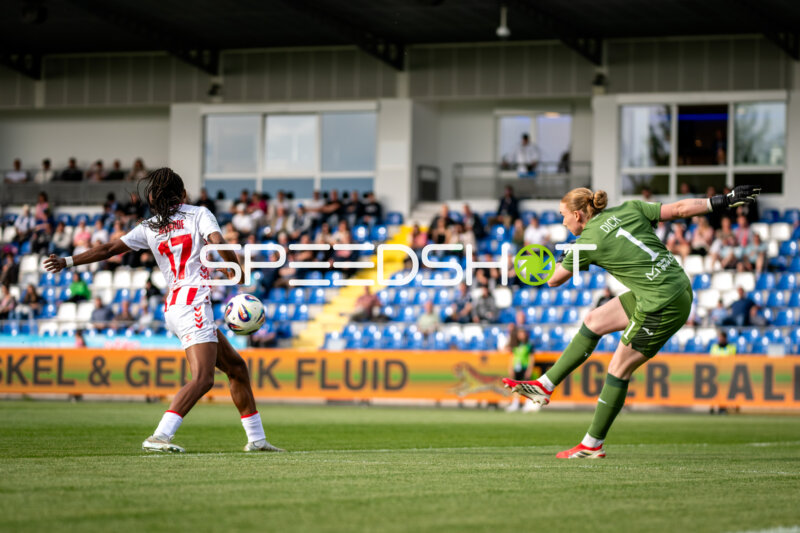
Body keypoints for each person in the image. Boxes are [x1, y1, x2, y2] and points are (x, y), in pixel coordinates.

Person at [503, 184, 761, 458]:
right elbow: (680, 209)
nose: (563, 221)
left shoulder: (587, 241)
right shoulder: (631, 208)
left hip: (661, 302)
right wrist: (721, 200)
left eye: (563, 215)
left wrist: (543, 264)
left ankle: (592, 444)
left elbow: (554, 280)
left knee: (618, 369)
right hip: (676, 285)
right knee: (594, 320)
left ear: (578, 215)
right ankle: (545, 384)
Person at [45, 167, 283, 453]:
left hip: (175, 304)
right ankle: (160, 436)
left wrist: (68, 261)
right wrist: (238, 271)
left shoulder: (151, 226)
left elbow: (108, 249)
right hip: (192, 303)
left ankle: (256, 440)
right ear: (182, 193)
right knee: (203, 378)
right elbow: (218, 243)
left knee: (236, 368)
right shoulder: (199, 214)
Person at [506, 310, 537, 413]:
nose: (521, 335)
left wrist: (529, 369)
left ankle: (528, 403)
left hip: (524, 366)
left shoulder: (529, 345)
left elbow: (531, 358)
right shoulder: (516, 345)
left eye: (522, 333)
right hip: (516, 367)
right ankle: (515, 402)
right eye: (519, 333)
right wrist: (510, 367)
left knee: (526, 386)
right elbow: (512, 356)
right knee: (515, 386)